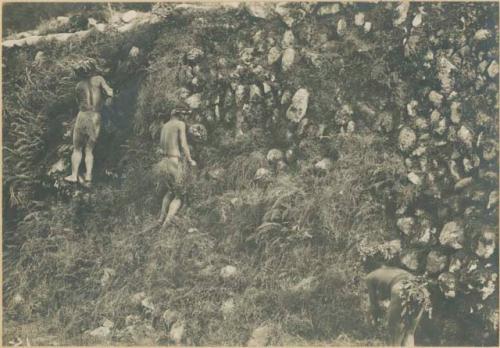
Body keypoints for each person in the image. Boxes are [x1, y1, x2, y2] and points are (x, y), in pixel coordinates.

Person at [65, 58, 113, 183]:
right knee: (89, 149)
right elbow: (110, 92)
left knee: (77, 148)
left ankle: (74, 175)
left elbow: (78, 103)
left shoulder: (78, 86)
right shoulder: (99, 79)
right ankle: (88, 175)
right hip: (95, 116)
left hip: (82, 116)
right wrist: (108, 100)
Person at [153, 103, 197, 227]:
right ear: (181, 114)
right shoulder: (180, 124)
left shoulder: (165, 126)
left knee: (170, 191)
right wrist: (190, 160)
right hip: (173, 161)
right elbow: (183, 144)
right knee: (179, 195)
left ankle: (161, 218)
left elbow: (161, 146)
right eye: (185, 115)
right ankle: (167, 223)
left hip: (163, 163)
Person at [365, 265, 425, 346]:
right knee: (410, 332)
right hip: (420, 289)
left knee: (394, 333)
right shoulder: (389, 271)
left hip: (400, 287)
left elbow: (374, 305)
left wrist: (374, 323)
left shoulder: (369, 277)